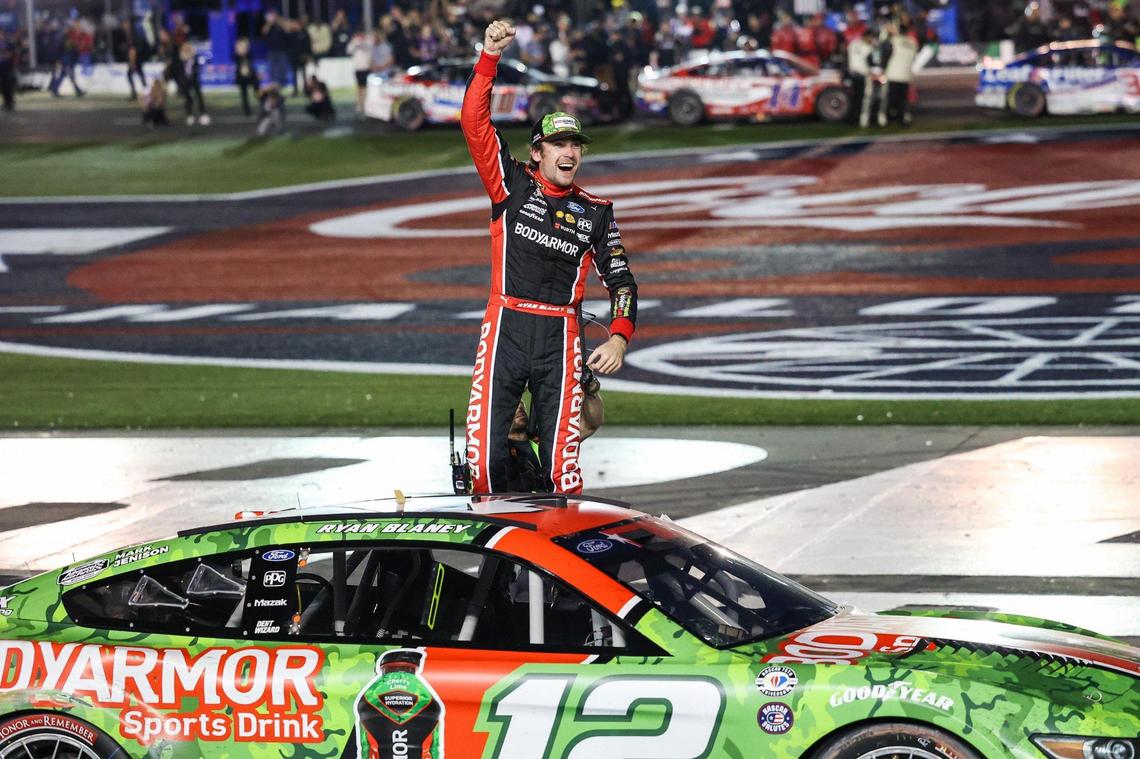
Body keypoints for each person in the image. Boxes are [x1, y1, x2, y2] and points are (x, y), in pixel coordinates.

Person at [461, 19, 637, 496]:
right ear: (537, 152)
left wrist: (619, 339)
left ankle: (552, 565)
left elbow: (622, 282)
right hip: (506, 324)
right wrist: (489, 58)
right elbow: (475, 126)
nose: (570, 153)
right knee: (482, 457)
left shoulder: (597, 212)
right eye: (560, 144)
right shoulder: (511, 183)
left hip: (562, 333)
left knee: (563, 465)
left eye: (576, 145)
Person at [505, 367, 605, 492]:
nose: (519, 407)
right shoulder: (493, 451)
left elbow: (589, 425)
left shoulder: (543, 440)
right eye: (513, 406)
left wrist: (591, 389)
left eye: (520, 403)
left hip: (551, 508)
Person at [884, 21, 917, 127]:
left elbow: (886, 52)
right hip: (906, 74)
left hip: (893, 74)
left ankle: (890, 119)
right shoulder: (912, 42)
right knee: (903, 99)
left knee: (891, 98)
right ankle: (904, 119)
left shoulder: (894, 40)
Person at [171, 41, 209, 125]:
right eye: (185, 49)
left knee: (199, 96)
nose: (187, 51)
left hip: (194, 80)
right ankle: (189, 115)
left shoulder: (194, 58)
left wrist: (190, 59)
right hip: (184, 81)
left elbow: (197, 68)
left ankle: (203, 114)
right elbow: (176, 71)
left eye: (188, 49)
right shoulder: (179, 60)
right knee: (188, 99)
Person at [234, 36, 259, 116]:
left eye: (243, 46)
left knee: (257, 91)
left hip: (251, 76)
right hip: (241, 78)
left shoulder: (249, 54)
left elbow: (250, 64)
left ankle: (264, 104)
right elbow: (237, 60)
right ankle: (247, 111)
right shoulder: (236, 56)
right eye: (240, 46)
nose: (241, 48)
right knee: (244, 94)